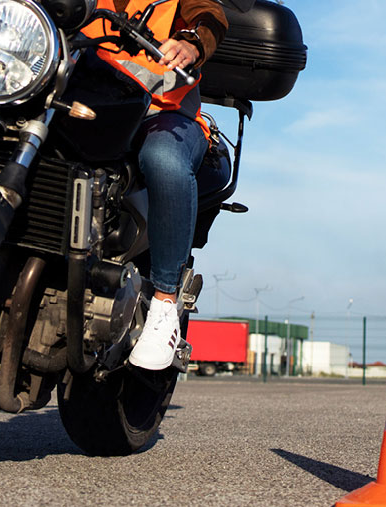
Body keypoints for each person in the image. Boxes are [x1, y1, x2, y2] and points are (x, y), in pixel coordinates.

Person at [82, 0, 228, 370]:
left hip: (163, 111)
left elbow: (209, 14)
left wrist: (193, 42)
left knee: (163, 161)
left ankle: (164, 305)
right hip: (86, 100)